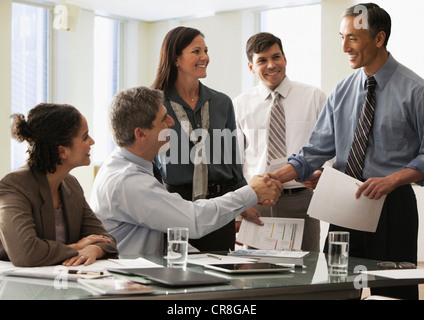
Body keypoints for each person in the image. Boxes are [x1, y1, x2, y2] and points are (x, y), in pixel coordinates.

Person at [268, 3, 424, 299]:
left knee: (393, 293)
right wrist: (276, 177)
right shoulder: (341, 90)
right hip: (344, 204)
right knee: (335, 290)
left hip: (392, 207)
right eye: (342, 37)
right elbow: (314, 151)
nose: (344, 47)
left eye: (352, 38)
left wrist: (393, 180)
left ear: (379, 38)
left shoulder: (416, 90)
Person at [90, 86, 282, 256]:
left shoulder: (133, 166)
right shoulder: (128, 181)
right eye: (164, 120)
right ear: (141, 134)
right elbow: (194, 220)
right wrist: (251, 192)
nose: (171, 123)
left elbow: (162, 233)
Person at [151, 26, 249, 252]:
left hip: (220, 204)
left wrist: (245, 201)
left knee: (221, 278)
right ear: (176, 58)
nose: (205, 57)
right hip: (174, 205)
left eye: (206, 50)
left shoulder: (222, 103)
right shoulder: (155, 104)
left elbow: (233, 162)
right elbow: (147, 161)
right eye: (196, 51)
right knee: (178, 275)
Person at [233, 32, 327, 252]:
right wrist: (239, 209)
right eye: (262, 60)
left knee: (305, 274)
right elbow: (235, 161)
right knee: (259, 276)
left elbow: (330, 148)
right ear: (251, 67)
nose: (271, 65)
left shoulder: (314, 97)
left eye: (276, 57)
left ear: (285, 58)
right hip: (258, 203)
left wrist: (323, 172)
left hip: (302, 199)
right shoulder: (239, 105)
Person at [0, 103, 118, 267]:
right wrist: (77, 247)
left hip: (60, 284)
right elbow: (26, 253)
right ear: (62, 151)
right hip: (17, 287)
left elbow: (105, 239)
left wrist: (94, 250)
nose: (92, 142)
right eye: (85, 137)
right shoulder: (14, 186)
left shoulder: (71, 184)